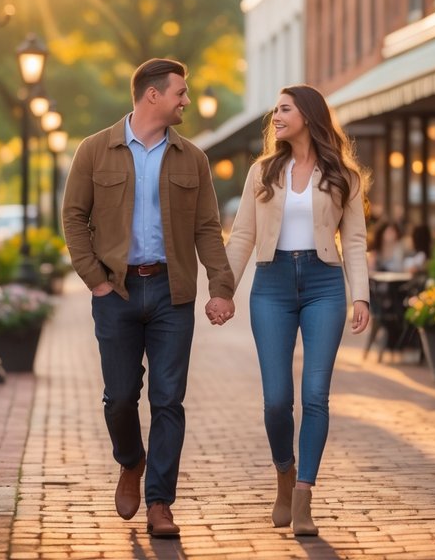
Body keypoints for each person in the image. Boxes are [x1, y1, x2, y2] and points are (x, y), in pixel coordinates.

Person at [61, 58, 235, 538]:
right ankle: (130, 460)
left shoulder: (193, 158)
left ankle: (160, 503)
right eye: (181, 92)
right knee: (119, 398)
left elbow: (206, 228)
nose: (187, 100)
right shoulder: (95, 150)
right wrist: (95, 279)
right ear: (152, 95)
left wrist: (221, 286)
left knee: (168, 399)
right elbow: (74, 217)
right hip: (114, 291)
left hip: (171, 292)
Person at [216, 84, 370, 537]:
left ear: (307, 114)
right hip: (272, 284)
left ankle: (303, 496)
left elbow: (355, 241)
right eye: (276, 110)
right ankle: (284, 471)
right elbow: (241, 235)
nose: (276, 117)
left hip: (324, 283)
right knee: (277, 399)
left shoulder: (343, 174)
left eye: (284, 109)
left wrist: (359, 294)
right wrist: (223, 291)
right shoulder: (262, 172)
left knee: (317, 394)